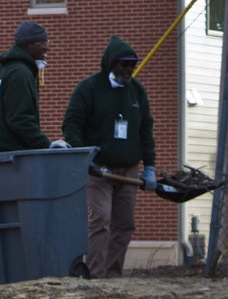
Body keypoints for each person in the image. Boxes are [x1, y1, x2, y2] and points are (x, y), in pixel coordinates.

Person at [61, 37, 157, 279]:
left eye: (131, 65)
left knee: (124, 224)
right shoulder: (89, 88)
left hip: (129, 170)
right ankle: (94, 276)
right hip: (99, 170)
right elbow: (71, 123)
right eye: (123, 64)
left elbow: (145, 129)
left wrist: (150, 167)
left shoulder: (137, 91)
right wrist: (84, 156)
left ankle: (113, 276)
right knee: (100, 219)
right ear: (111, 63)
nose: (127, 69)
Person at [0, 21, 51, 153]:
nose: (47, 48)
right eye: (42, 43)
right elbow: (20, 119)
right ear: (27, 45)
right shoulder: (20, 74)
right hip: (11, 154)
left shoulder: (3, 68)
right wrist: (47, 146)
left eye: (47, 42)